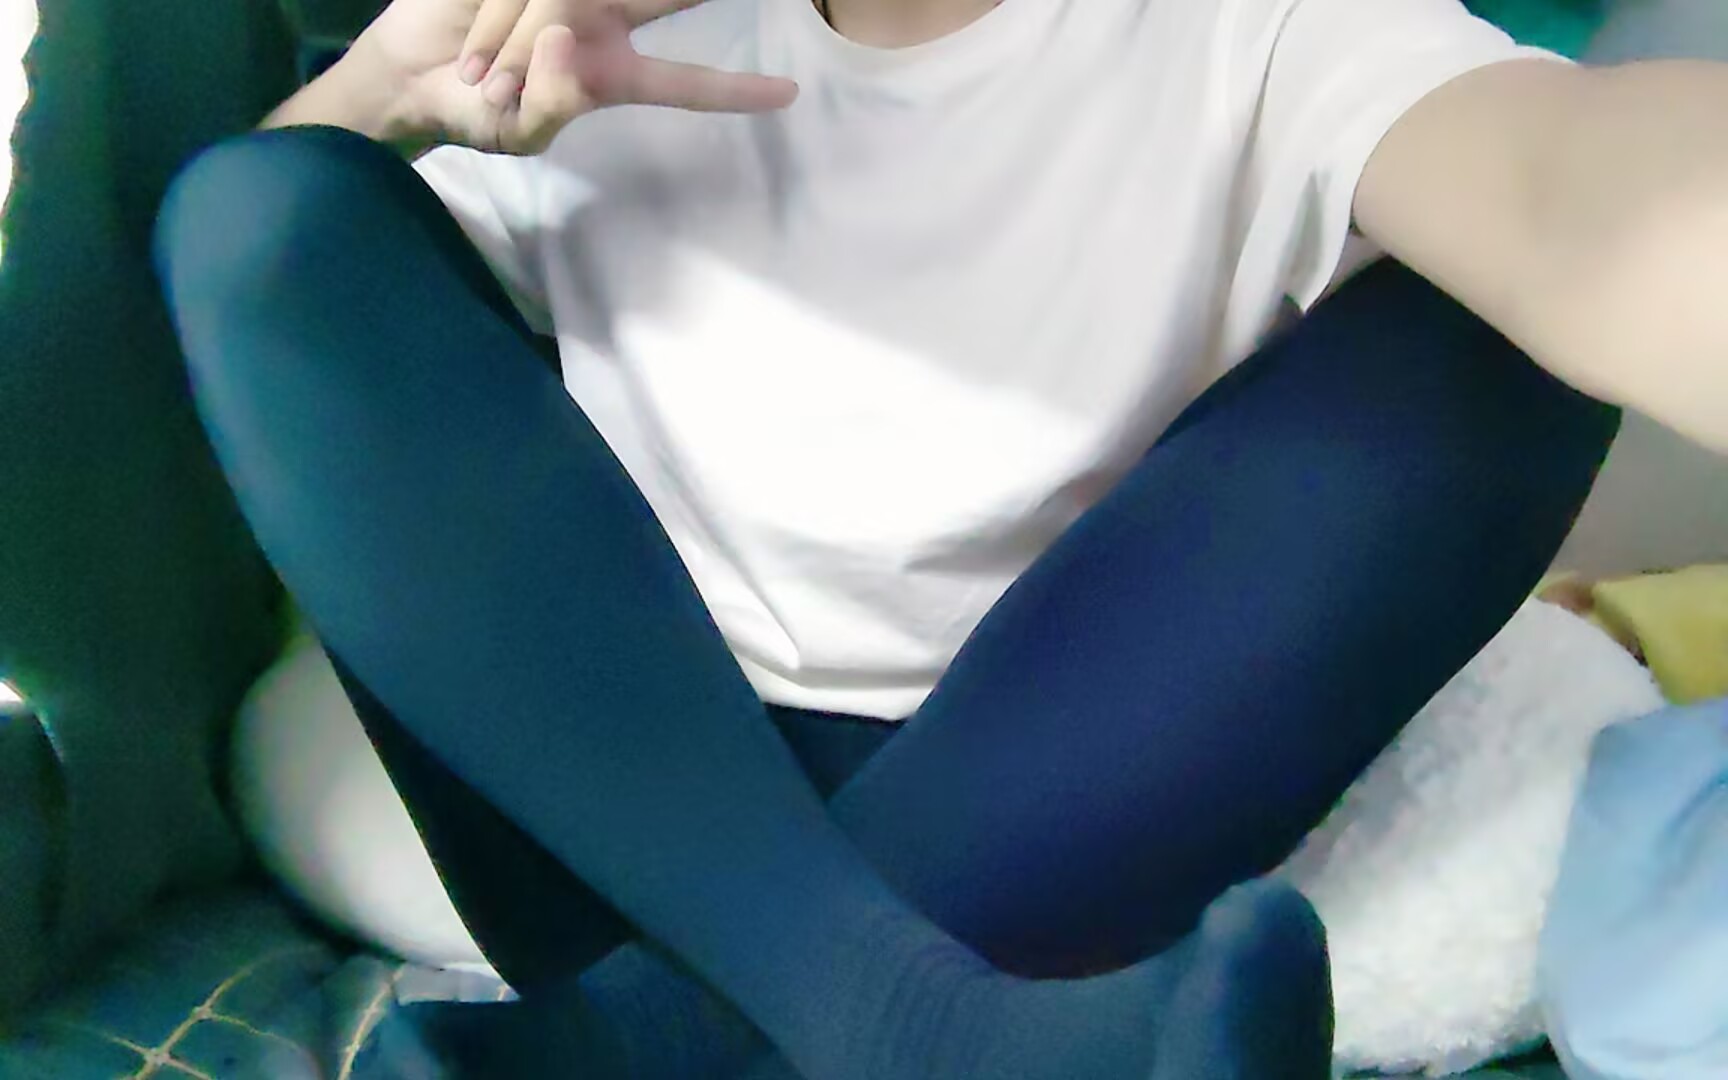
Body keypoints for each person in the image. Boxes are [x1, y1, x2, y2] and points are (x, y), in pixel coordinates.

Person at [148, 0, 1728, 1075]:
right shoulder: (592, 37)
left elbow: (1582, 191)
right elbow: (282, 361)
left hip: (1075, 791)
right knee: (257, 209)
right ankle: (894, 1022)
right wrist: (383, 94)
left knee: (1491, 349)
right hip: (633, 806)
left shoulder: (1270, 32)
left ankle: (643, 1044)